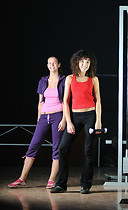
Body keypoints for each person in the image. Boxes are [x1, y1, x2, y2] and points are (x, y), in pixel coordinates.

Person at [8, 56, 66, 189]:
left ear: (58, 65)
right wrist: (39, 119)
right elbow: (40, 102)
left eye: (54, 63)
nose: (52, 65)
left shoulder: (64, 80)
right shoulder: (43, 81)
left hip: (58, 115)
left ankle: (51, 180)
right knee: (33, 147)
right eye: (49, 63)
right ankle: (22, 178)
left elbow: (66, 102)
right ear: (47, 65)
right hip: (44, 117)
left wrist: (64, 119)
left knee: (56, 149)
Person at [50, 50, 102, 194]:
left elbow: (98, 101)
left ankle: (86, 185)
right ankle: (61, 184)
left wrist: (98, 120)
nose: (85, 64)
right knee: (63, 148)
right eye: (82, 61)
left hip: (90, 116)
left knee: (88, 150)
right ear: (76, 62)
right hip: (74, 117)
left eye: (87, 62)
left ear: (90, 64)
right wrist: (69, 122)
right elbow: (65, 102)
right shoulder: (69, 79)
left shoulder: (94, 79)